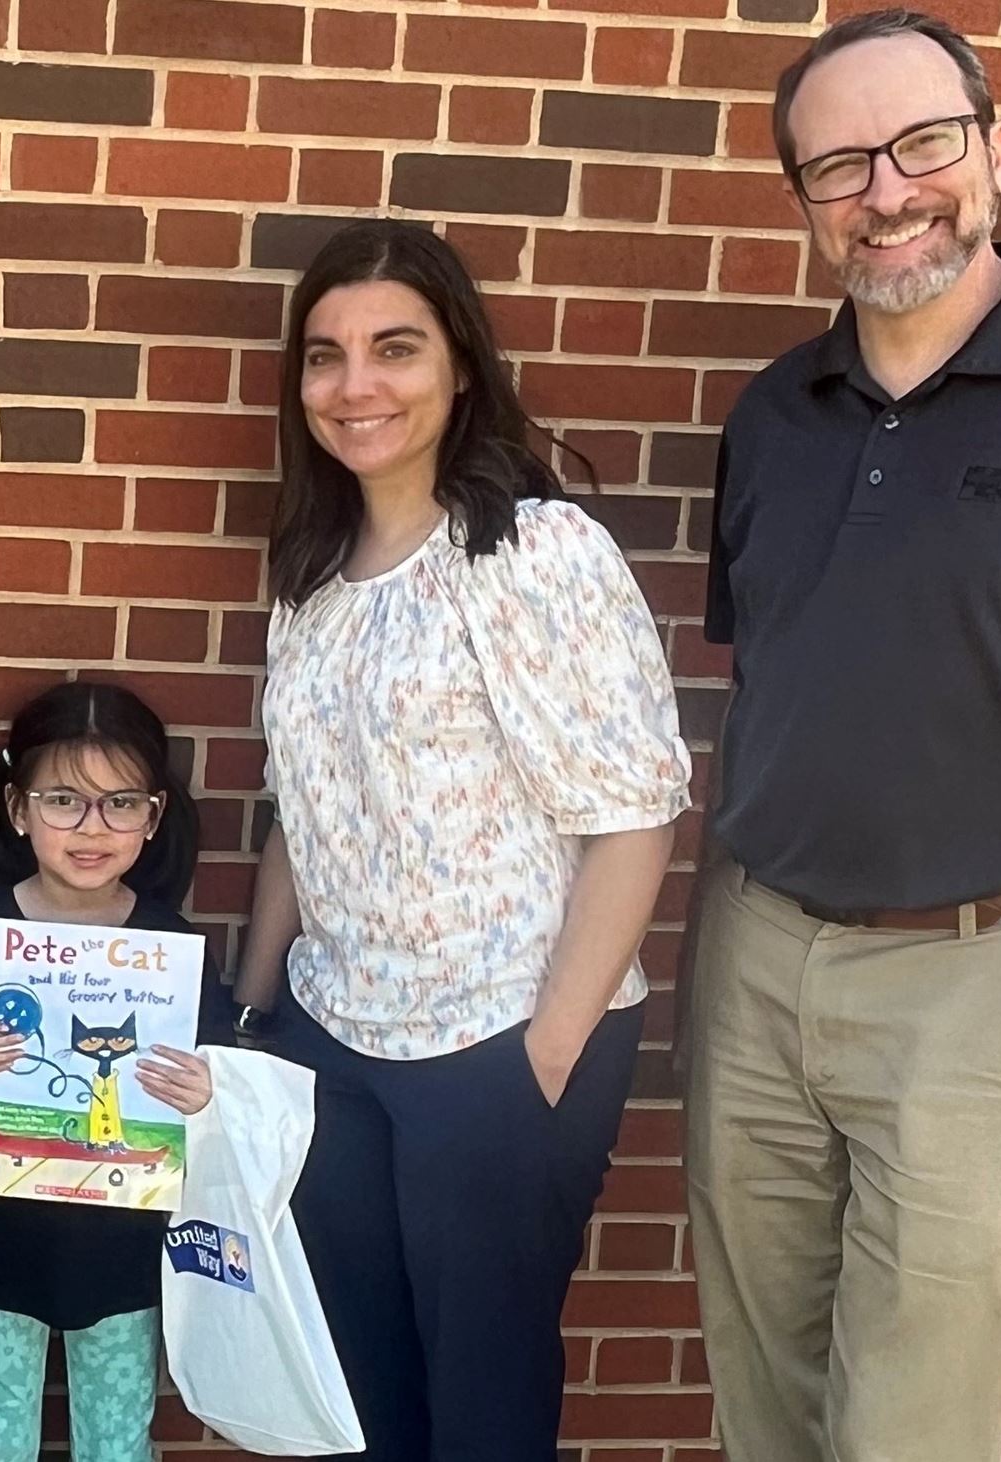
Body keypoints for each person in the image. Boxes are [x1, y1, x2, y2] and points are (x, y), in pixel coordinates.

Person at [689, 12, 1001, 1459]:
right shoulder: (774, 417)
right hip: (756, 960)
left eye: (923, 142)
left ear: (996, 147)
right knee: (765, 1394)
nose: (888, 190)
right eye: (839, 166)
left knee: (914, 1425)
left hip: (988, 979)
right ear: (804, 201)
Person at [232, 219, 690, 1460]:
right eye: (322, 357)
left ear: (460, 369)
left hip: (495, 1044)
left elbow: (635, 813)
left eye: (393, 348)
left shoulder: (532, 551)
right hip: (335, 1035)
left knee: (481, 1413)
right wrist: (256, 1013)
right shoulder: (311, 571)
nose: (354, 385)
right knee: (359, 1399)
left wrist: (537, 1058)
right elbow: (300, 806)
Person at [0, 680, 230, 1462]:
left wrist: (205, 1097)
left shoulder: (172, 949)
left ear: (154, 816)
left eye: (120, 803)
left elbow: (211, 1112)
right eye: (64, 801)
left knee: (116, 1444)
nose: (92, 826)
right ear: (18, 809)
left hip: (126, 1253)